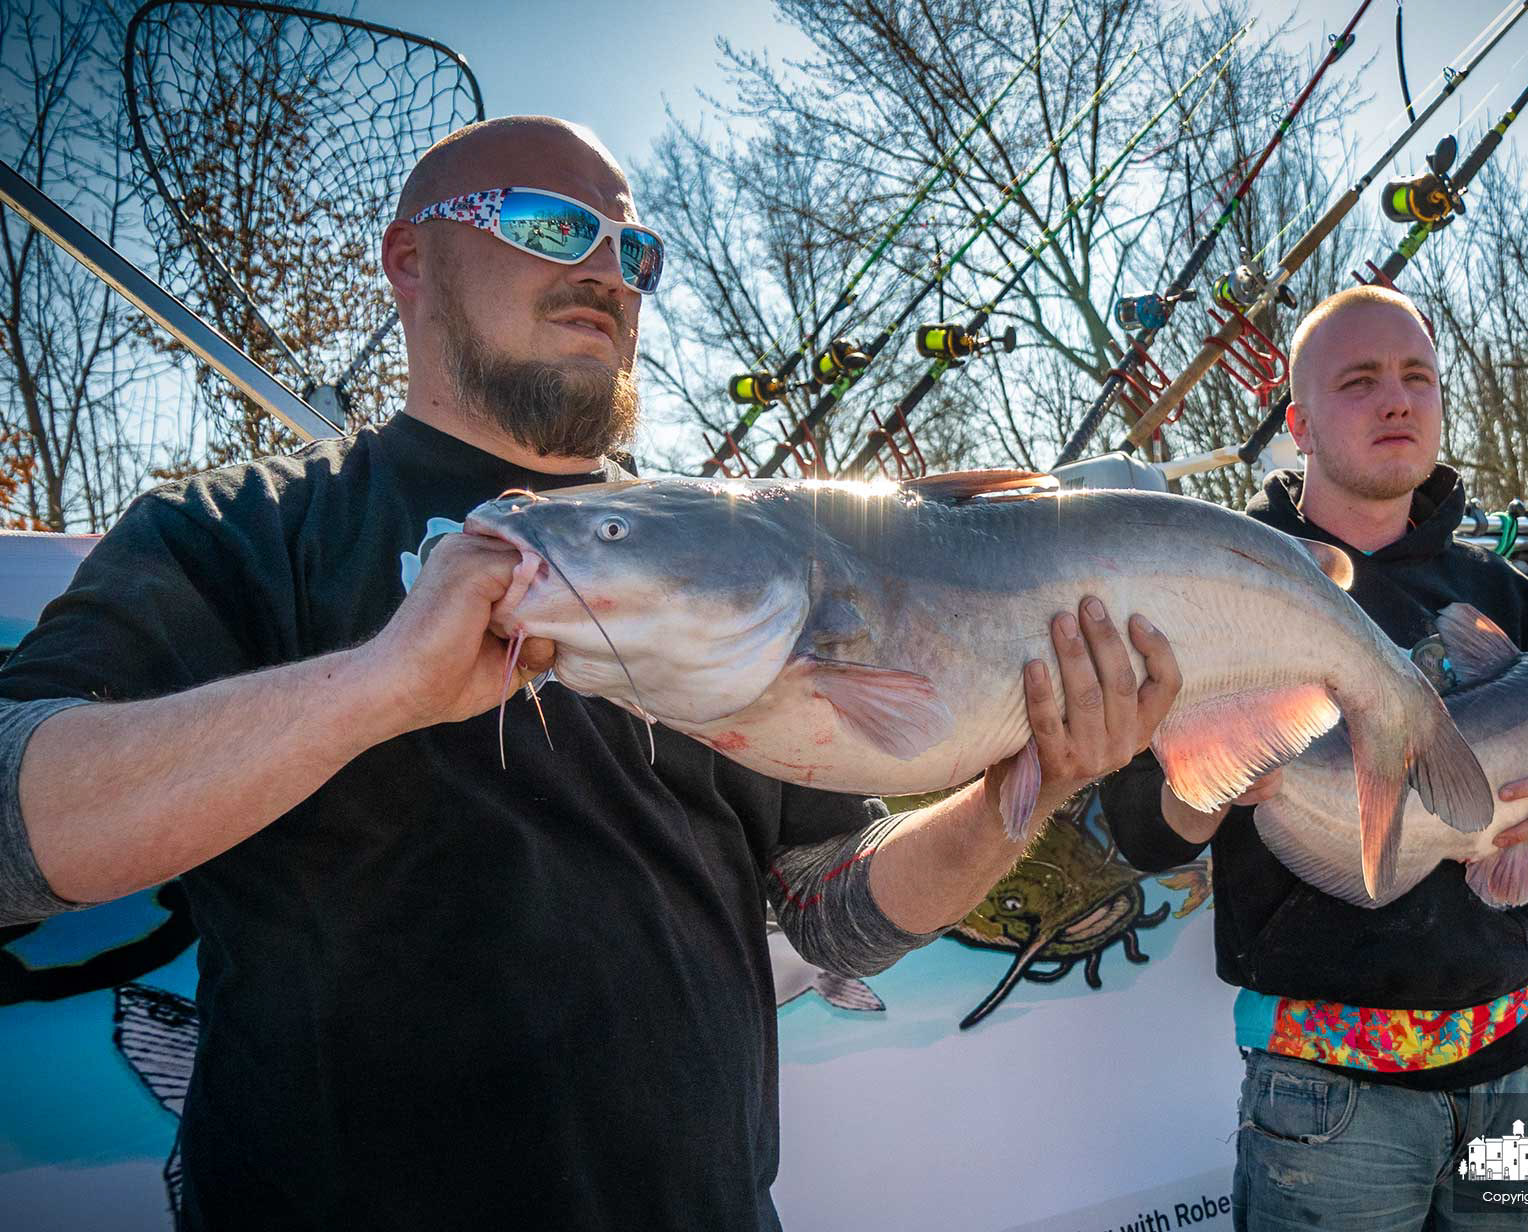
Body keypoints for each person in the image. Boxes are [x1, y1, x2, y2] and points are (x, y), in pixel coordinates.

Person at [0, 117, 1179, 1230]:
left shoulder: (746, 551)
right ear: (411, 258)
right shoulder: (247, 532)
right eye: (552, 226)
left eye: (633, 248)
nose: (607, 270)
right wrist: (378, 686)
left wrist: (1022, 786)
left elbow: (835, 920)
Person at [1100, 285, 1528, 1232]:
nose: (1397, 400)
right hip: (1326, 1105)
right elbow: (1144, 830)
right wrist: (1229, 768)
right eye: (1359, 380)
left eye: (1417, 378)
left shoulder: (1511, 602)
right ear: (1298, 419)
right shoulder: (1217, 578)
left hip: (1517, 1068)